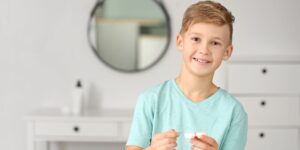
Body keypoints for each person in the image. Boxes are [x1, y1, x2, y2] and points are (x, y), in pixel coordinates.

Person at [126, 1, 248, 150]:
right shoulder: (150, 99)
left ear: (227, 52)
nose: (204, 50)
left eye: (215, 43)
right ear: (180, 42)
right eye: (196, 39)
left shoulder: (234, 112)